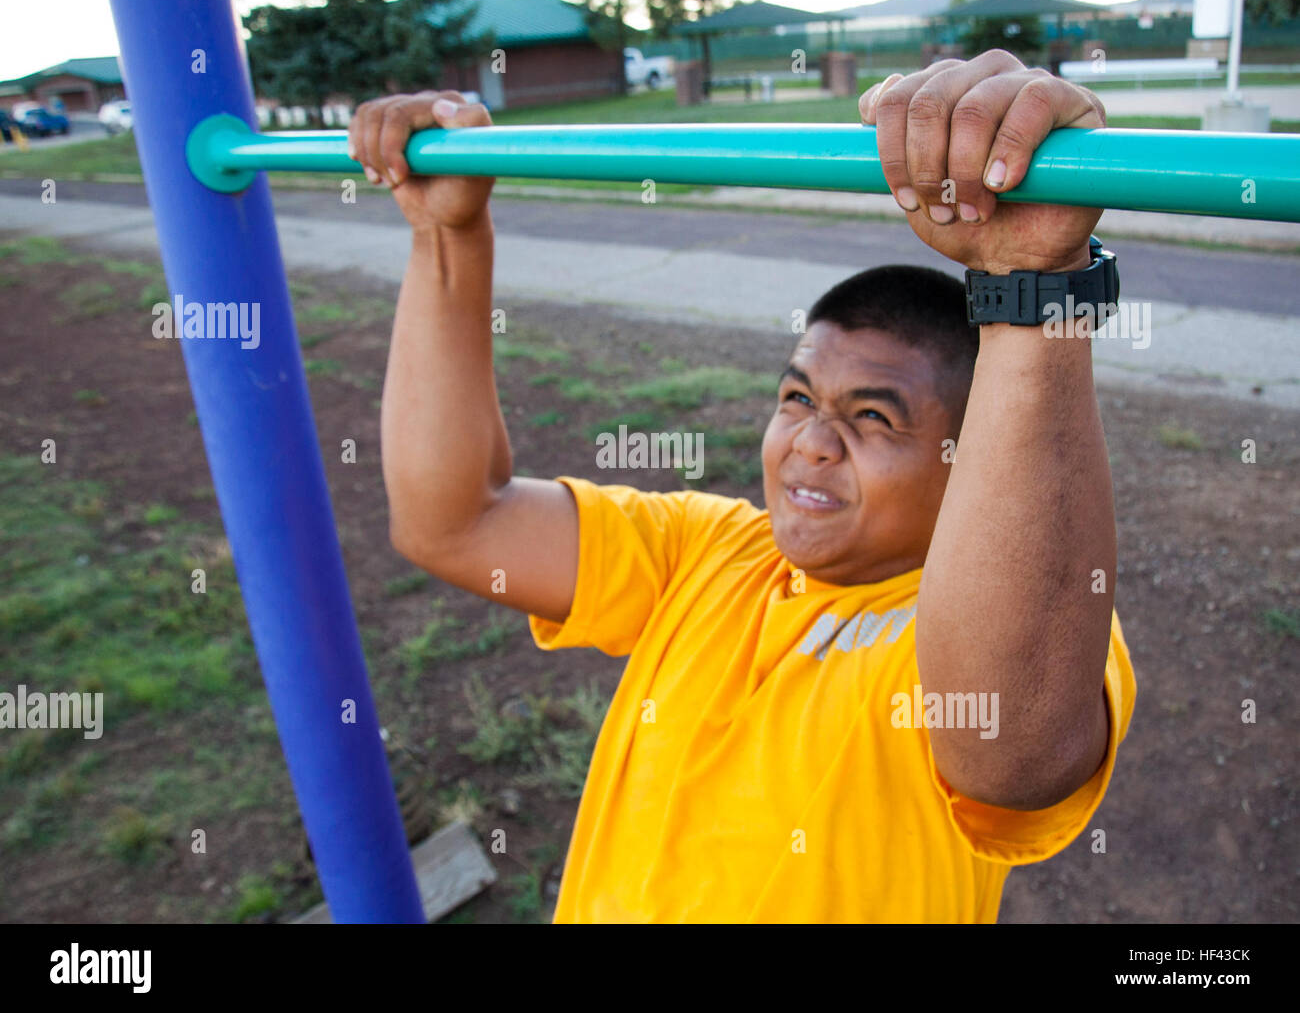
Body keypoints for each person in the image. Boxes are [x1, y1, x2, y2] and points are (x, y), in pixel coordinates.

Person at [348, 48, 1136, 924]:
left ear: (971, 461)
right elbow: (452, 521)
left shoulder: (1012, 622)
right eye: (798, 396)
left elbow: (1007, 749)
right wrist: (447, 236)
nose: (810, 442)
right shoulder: (706, 550)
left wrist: (1036, 288)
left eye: (873, 419)